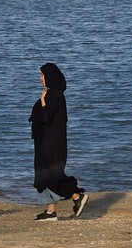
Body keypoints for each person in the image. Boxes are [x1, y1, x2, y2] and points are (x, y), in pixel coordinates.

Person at [29, 62, 88, 221]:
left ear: (50, 77)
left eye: (42, 75)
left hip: (51, 144)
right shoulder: (53, 94)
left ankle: (76, 195)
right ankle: (50, 212)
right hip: (46, 142)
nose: (41, 78)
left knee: (51, 175)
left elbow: (47, 118)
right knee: (44, 174)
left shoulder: (54, 95)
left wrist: (42, 101)